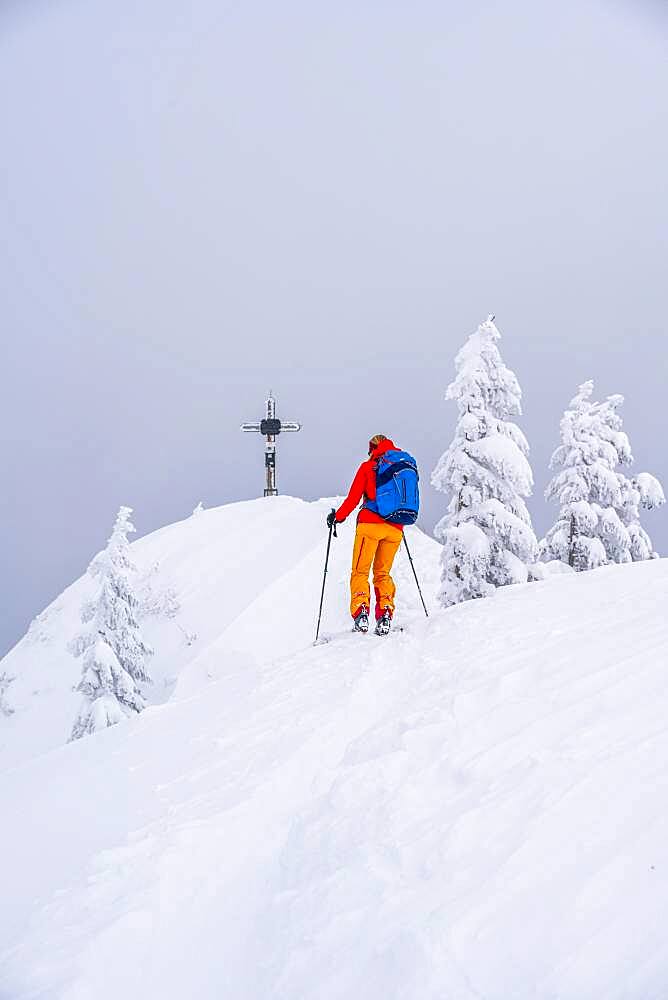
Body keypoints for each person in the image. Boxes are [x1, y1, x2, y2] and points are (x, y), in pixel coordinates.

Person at [327, 434, 410, 635]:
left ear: (372, 448)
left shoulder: (367, 467)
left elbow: (354, 498)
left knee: (360, 571)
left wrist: (337, 517)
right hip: (395, 528)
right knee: (382, 573)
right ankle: (385, 615)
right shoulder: (400, 468)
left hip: (370, 525)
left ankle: (361, 612)